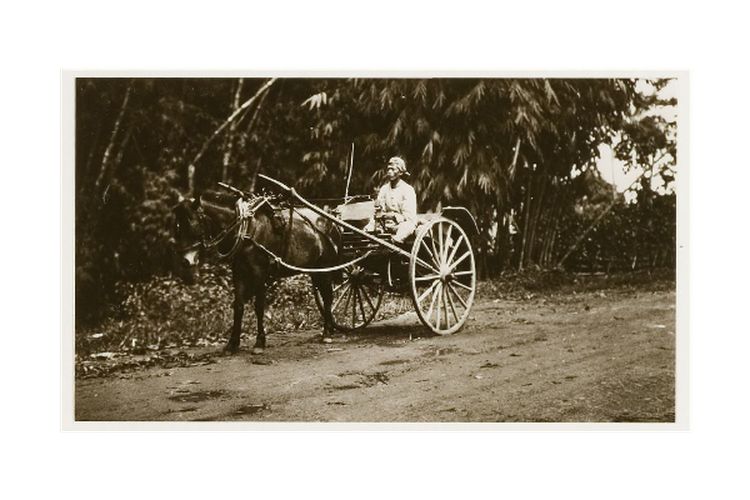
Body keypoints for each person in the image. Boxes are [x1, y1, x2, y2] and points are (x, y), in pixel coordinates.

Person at [368, 156, 417, 244]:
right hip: (385, 224)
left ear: (401, 172)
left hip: (401, 224)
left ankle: (394, 243)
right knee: (368, 229)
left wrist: (394, 217)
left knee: (407, 227)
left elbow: (409, 216)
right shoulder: (384, 189)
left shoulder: (408, 189)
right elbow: (379, 210)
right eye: (388, 169)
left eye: (393, 169)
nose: (390, 172)